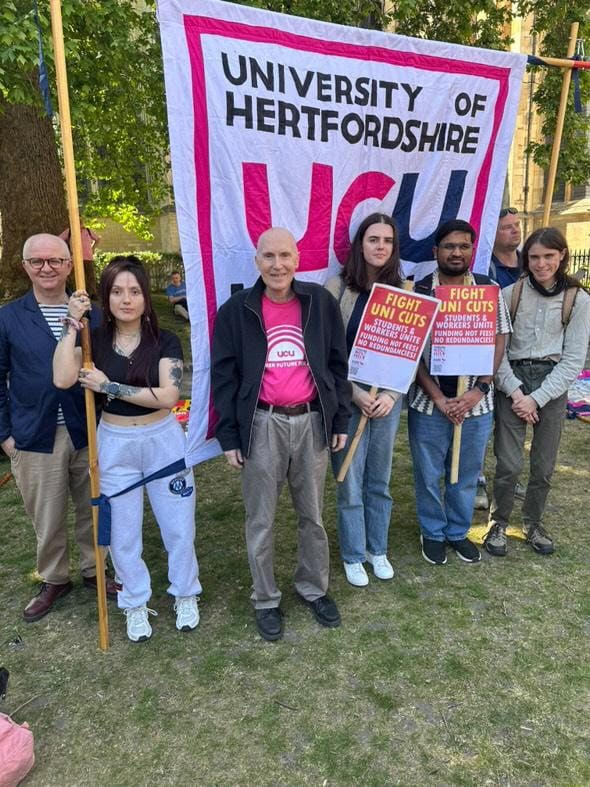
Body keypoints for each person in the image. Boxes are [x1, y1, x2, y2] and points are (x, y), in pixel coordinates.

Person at [211, 227, 351, 642]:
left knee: (312, 516)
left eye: (284, 256)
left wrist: (339, 420)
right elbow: (224, 376)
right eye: (268, 257)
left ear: (298, 258)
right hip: (260, 425)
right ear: (257, 261)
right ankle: (266, 598)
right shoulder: (237, 310)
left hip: (310, 422)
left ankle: (313, 588)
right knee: (261, 519)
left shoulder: (320, 304)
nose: (277, 265)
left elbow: (337, 365)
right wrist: (230, 436)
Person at [53, 255, 201, 642]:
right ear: (106, 296)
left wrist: (110, 387)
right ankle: (134, 602)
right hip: (116, 444)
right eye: (117, 291)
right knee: (121, 534)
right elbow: (63, 377)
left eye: (134, 291)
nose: (126, 299)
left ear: (145, 298)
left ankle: (185, 593)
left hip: (163, 442)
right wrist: (72, 322)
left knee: (178, 528)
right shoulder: (93, 340)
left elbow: (169, 396)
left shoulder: (164, 340)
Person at [0, 233, 116, 623]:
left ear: (70, 265)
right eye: (38, 261)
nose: (47, 268)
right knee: (47, 514)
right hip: (34, 433)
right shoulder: (9, 317)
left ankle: (94, 569)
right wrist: (5, 436)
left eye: (55, 261)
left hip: (88, 429)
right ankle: (54, 577)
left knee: (93, 507)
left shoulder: (94, 315)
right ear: (25, 267)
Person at [407, 219, 511, 565]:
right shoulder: (419, 291)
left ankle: (457, 531)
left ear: (472, 250)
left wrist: (479, 389)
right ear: (436, 251)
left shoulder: (488, 288)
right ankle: (433, 531)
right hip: (429, 402)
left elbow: (500, 337)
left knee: (466, 472)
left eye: (463, 246)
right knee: (428, 472)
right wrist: (437, 397)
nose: (456, 252)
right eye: (449, 246)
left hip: (476, 405)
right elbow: (410, 349)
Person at [485, 227, 590, 557]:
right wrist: (517, 394)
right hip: (512, 378)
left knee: (543, 465)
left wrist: (538, 398)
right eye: (534, 257)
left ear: (562, 256)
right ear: (525, 259)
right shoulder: (508, 294)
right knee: (509, 463)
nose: (542, 263)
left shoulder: (578, 299)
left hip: (552, 381)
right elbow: (496, 351)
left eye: (549, 256)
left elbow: (573, 359)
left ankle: (533, 521)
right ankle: (498, 521)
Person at [325, 213, 403, 587]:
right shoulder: (336, 288)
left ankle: (378, 549)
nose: (380, 246)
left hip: (387, 399)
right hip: (349, 396)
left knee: (379, 478)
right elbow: (324, 351)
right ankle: (354, 554)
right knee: (349, 479)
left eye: (387, 241)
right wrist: (353, 393)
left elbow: (409, 351)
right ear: (360, 244)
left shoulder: (404, 291)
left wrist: (390, 394)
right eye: (374, 239)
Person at [475, 207, 523, 509]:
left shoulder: (529, 262)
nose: (515, 231)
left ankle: (508, 476)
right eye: (507, 227)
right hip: (492, 350)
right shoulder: (487, 269)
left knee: (510, 423)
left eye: (517, 225)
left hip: (521, 351)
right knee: (483, 420)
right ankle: (477, 479)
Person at [59, 219, 100, 299]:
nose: (80, 224)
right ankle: (76, 293)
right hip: (75, 259)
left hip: (88, 257)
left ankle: (92, 294)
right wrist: (67, 251)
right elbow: (59, 239)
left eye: (80, 222)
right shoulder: (70, 231)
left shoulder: (87, 231)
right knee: (75, 277)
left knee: (90, 276)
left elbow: (98, 239)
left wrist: (93, 248)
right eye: (77, 222)